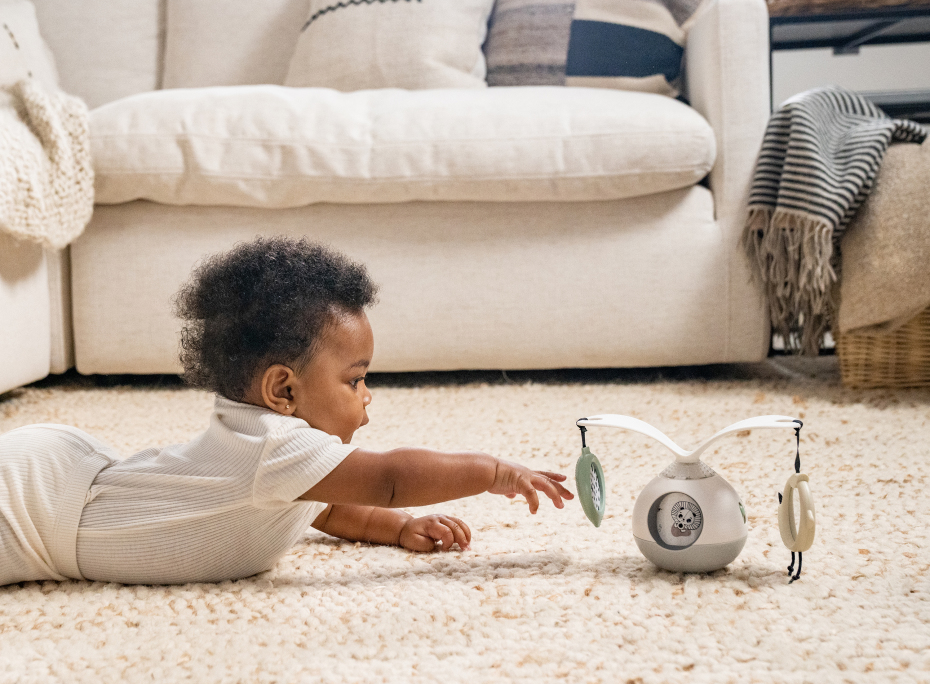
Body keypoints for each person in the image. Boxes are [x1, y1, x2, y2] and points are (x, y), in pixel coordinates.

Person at [0, 237, 572, 586]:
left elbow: (328, 511)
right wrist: (495, 472)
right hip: (33, 507)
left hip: (70, 490)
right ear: (283, 392)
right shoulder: (276, 444)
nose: (367, 394)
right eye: (355, 379)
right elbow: (390, 479)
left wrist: (398, 529)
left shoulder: (287, 470)